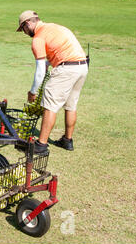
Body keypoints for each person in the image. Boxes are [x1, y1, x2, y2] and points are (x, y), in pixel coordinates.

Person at [16, 11, 89, 154]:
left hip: (66, 70)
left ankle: (41, 145)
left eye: (23, 29)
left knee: (49, 106)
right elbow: (63, 49)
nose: (24, 32)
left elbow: (40, 71)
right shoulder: (55, 27)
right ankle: (67, 141)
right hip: (82, 67)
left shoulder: (38, 38)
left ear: (28, 24)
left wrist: (32, 92)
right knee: (71, 105)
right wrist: (51, 62)